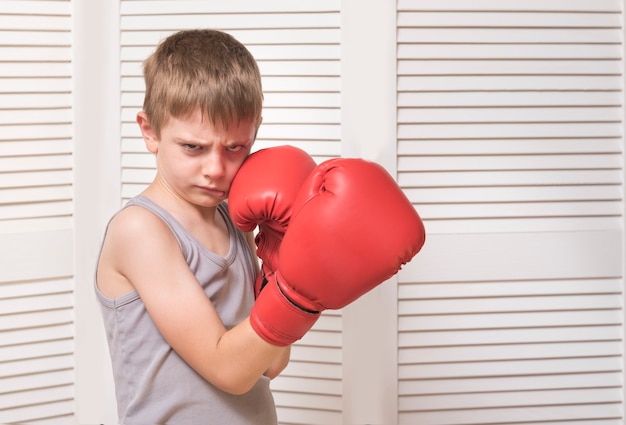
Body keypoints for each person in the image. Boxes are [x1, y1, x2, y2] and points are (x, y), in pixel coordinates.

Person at [95, 29, 292, 424]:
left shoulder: (236, 221)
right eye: (193, 147)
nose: (216, 169)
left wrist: (280, 267)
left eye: (235, 147)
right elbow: (229, 371)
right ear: (150, 131)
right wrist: (298, 294)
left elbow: (271, 364)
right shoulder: (141, 230)